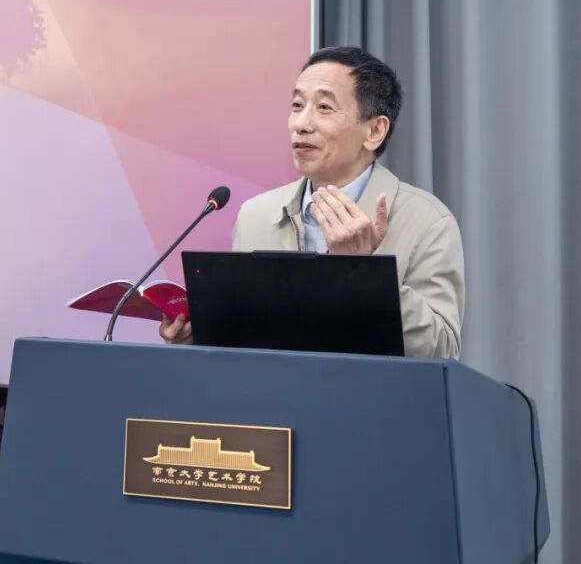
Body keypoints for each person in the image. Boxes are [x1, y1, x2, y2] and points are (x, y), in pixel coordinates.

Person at [160, 46, 464, 358]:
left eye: (324, 108)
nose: (301, 124)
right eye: (297, 105)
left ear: (374, 130)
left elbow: (441, 352)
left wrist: (363, 271)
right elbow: (245, 341)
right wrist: (199, 337)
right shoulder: (256, 215)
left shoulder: (427, 221)